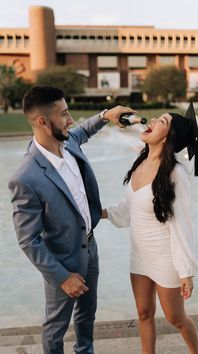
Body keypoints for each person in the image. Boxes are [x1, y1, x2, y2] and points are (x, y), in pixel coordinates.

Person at [8, 85, 134, 354]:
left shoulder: (69, 142)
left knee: (87, 315)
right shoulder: (25, 177)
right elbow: (28, 240)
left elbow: (84, 130)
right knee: (56, 327)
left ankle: (84, 351)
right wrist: (63, 277)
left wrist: (105, 116)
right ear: (43, 121)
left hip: (90, 248)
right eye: (64, 114)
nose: (71, 120)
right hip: (62, 261)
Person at [102, 103, 198, 354]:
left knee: (175, 318)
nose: (153, 120)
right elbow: (129, 205)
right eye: (157, 118)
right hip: (139, 255)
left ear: (169, 138)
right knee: (144, 313)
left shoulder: (176, 174)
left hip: (165, 257)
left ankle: (195, 352)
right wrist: (101, 213)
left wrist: (185, 270)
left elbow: (182, 223)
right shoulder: (140, 162)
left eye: (162, 122)